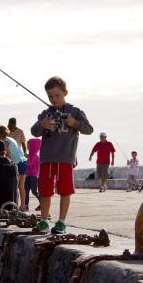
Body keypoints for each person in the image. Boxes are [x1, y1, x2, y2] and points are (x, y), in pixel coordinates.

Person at [31, 76, 94, 234]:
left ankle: (61, 222)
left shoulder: (76, 111)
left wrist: (75, 123)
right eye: (50, 96)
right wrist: (42, 125)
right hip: (47, 159)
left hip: (66, 159)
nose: (53, 99)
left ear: (65, 92)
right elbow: (34, 131)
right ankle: (44, 221)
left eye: (57, 95)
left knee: (65, 191)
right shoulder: (45, 113)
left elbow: (89, 129)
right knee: (45, 191)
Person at [0, 124, 27, 211]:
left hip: (17, 163)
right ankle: (22, 206)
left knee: (15, 186)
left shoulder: (5, 142)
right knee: (21, 186)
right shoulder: (10, 139)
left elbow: (7, 156)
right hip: (23, 162)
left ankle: (15, 205)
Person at [25, 138, 42, 211]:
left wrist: (24, 158)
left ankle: (42, 203)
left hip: (33, 177)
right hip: (27, 176)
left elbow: (29, 163)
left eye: (29, 146)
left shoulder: (35, 155)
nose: (28, 147)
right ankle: (26, 205)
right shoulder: (31, 155)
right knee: (26, 192)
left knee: (34, 191)